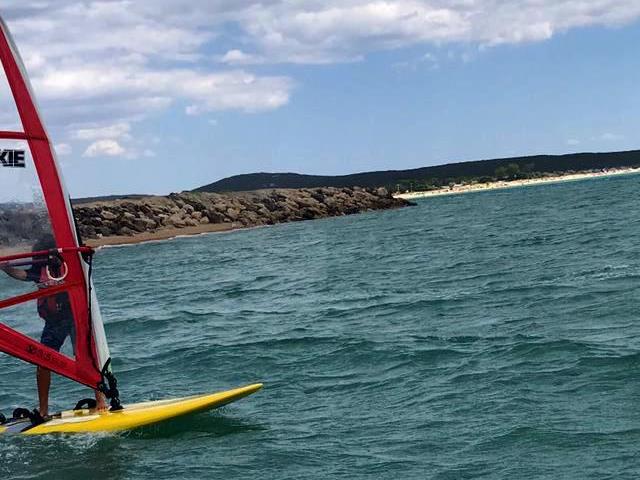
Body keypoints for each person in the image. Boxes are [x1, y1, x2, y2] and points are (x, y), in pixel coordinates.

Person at [0, 234, 106, 417]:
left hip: (75, 318)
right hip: (54, 323)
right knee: (43, 362)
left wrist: (85, 253)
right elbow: (21, 274)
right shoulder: (39, 269)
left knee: (87, 356)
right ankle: (43, 410)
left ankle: (101, 401)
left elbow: (85, 263)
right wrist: (6, 268)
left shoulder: (70, 266)